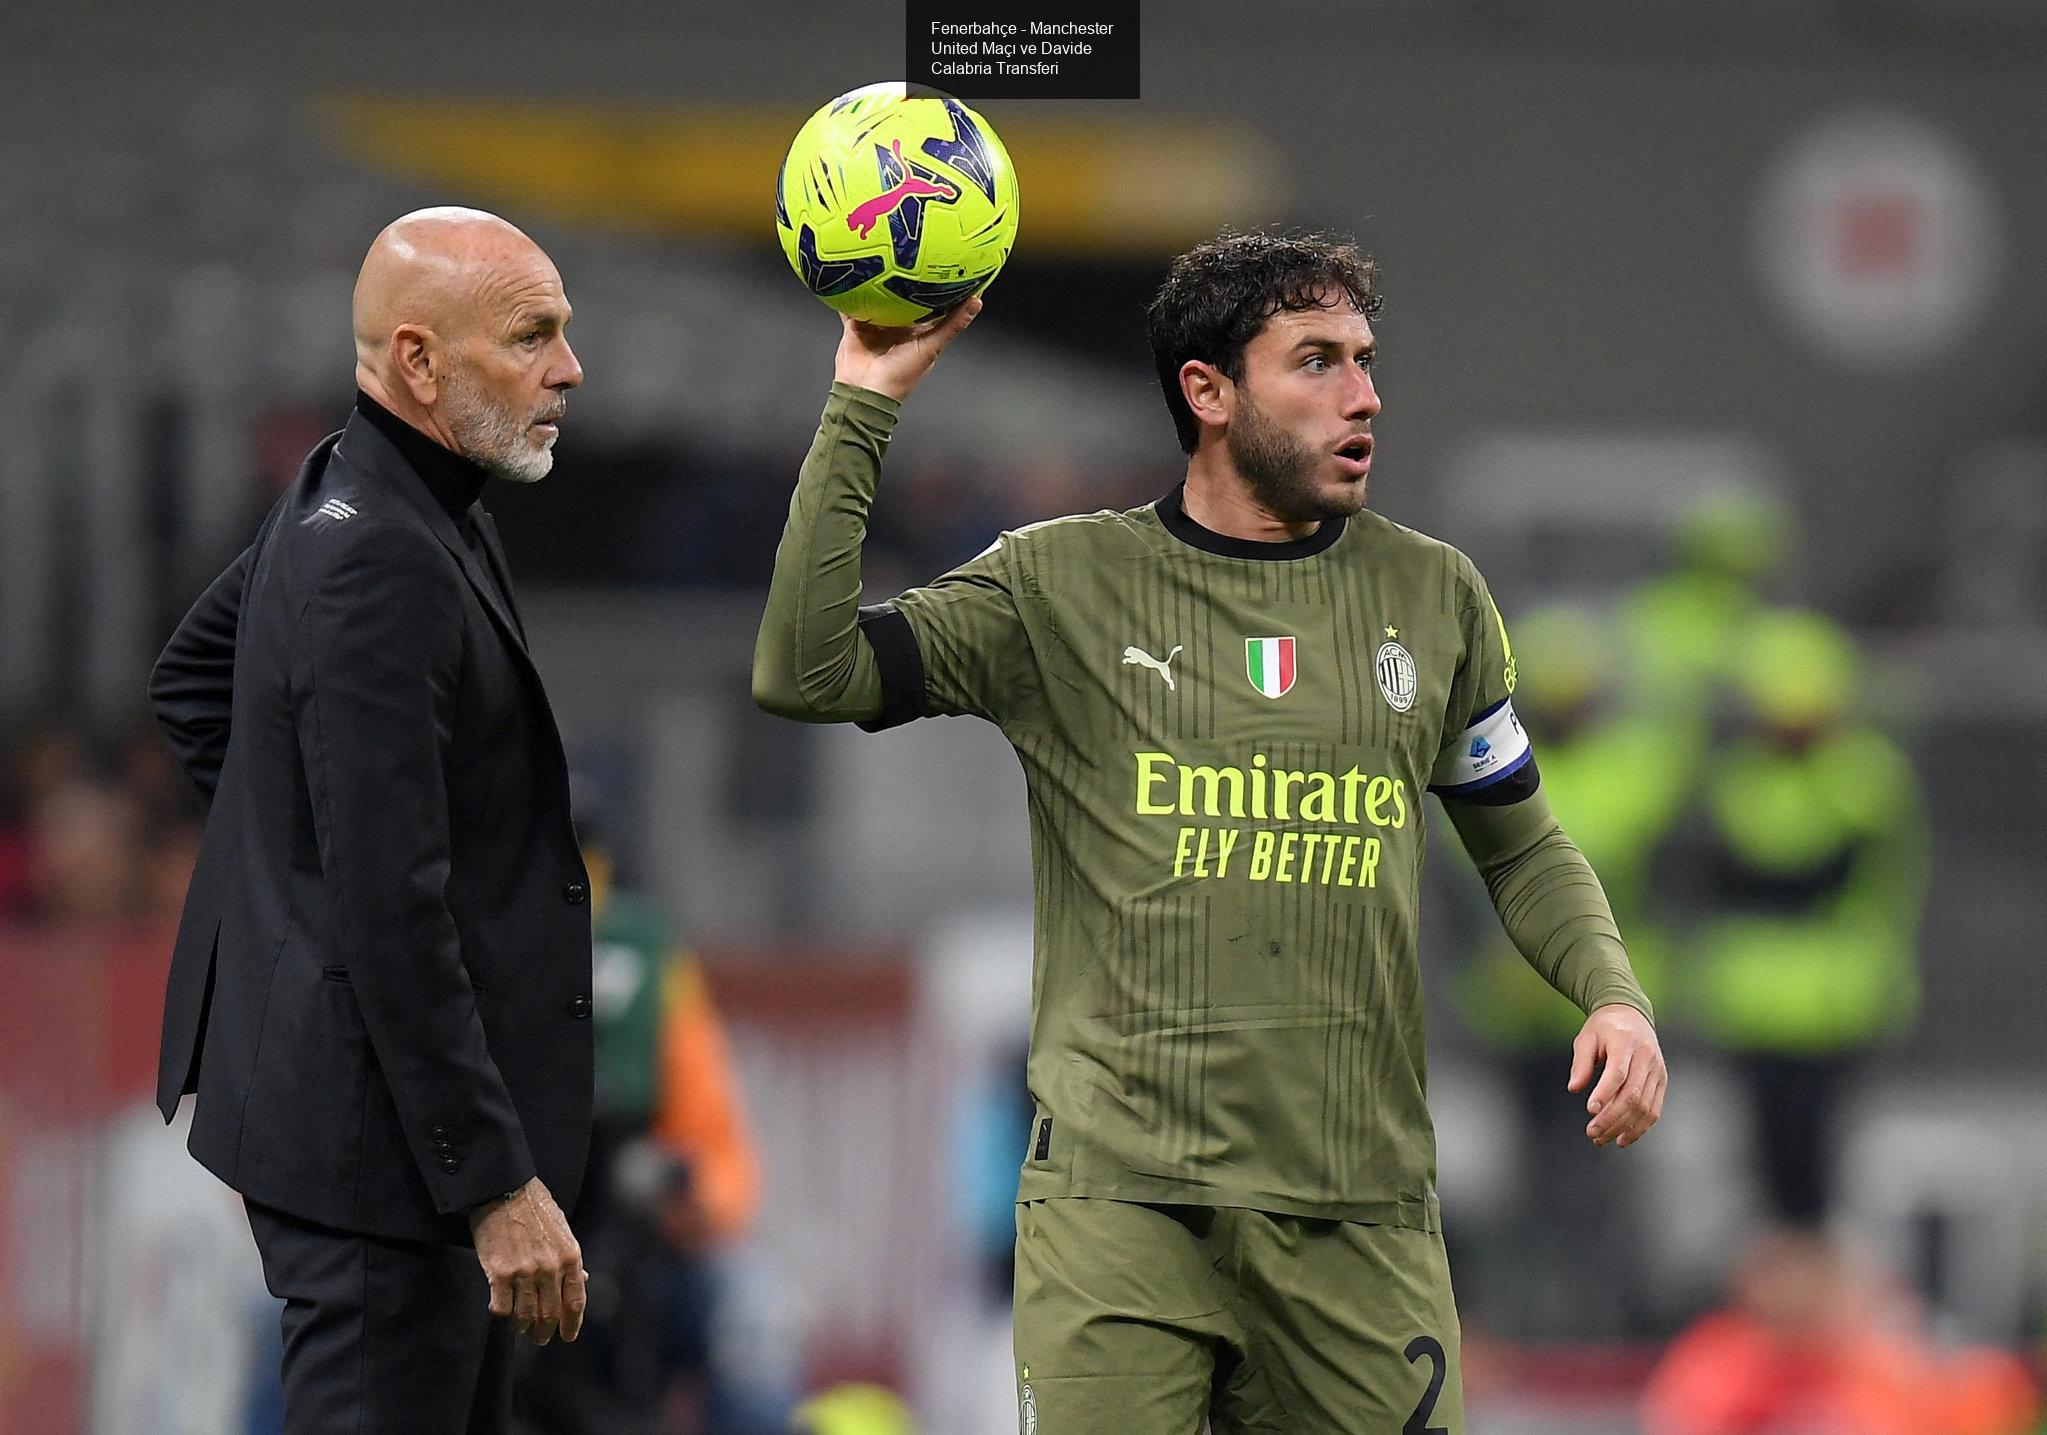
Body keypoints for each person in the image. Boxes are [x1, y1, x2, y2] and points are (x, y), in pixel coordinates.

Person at [753, 231, 1667, 1433]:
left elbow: (1522, 841)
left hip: (1357, 1212)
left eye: (1366, 359)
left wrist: (1612, 994)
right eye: (1318, 362)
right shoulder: (1058, 586)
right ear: (1209, 392)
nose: (1365, 393)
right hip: (1122, 1212)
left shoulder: (1433, 596)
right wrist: (863, 406)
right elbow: (806, 670)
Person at [150, 207, 593, 1435]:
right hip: (385, 1155)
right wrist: (494, 1179)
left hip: (399, 1139)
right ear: (419, 359)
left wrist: (291, 875)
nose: (568, 368)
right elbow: (388, 900)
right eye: (533, 336)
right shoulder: (379, 555)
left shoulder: (367, 495)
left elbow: (190, 680)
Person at [1680, 610, 1926, 1227]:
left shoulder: (1864, 776)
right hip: (1757, 1001)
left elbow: (1833, 875)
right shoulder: (1740, 778)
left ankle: (1814, 1275)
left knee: (1822, 1162)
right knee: (1764, 1160)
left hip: (1836, 998)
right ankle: (1783, 1278)